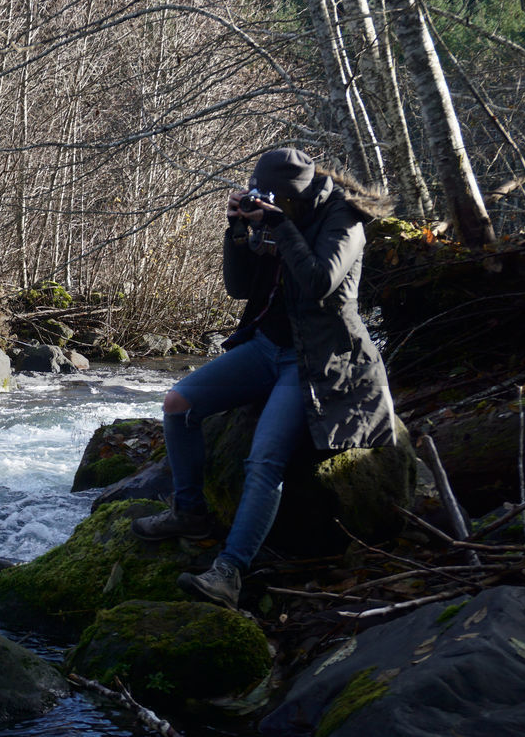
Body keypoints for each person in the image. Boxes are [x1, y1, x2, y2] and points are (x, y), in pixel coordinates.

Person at [130, 148, 397, 609]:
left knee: (264, 459)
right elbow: (239, 288)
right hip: (265, 346)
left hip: (316, 357)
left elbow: (319, 282)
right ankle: (190, 514)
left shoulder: (344, 219)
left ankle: (230, 571)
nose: (266, 204)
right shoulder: (278, 216)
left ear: (293, 197)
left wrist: (278, 225)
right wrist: (235, 231)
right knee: (178, 403)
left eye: (275, 199)